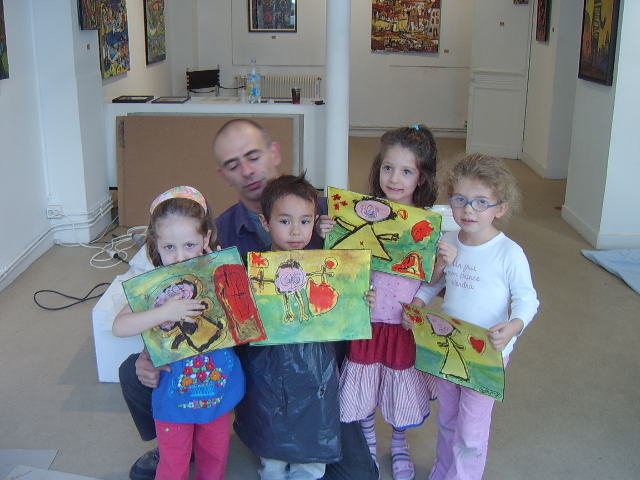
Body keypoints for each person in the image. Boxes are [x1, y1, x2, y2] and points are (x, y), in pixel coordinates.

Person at [120, 118, 378, 480]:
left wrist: (362, 292)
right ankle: (179, 438)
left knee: (358, 475)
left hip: (318, 368)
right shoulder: (218, 234)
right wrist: (150, 355)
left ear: (274, 153)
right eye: (233, 164)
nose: (246, 170)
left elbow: (376, 255)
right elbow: (178, 290)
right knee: (133, 370)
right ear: (223, 174)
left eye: (253, 156)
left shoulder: (323, 211)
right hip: (250, 357)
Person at [318, 125, 442, 480]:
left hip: (403, 323)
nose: (395, 178)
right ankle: (369, 442)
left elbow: (433, 280)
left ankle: (400, 443)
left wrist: (421, 298)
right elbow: (341, 263)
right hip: (367, 320)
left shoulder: (426, 225)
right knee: (365, 384)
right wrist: (329, 232)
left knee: (400, 386)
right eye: (388, 167)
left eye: (406, 171)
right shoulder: (361, 211)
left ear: (421, 177)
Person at [233, 173, 373, 480]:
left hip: (315, 371)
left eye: (305, 221)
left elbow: (342, 306)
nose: (296, 231)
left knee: (312, 452)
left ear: (315, 222)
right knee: (271, 452)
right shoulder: (252, 269)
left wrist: (360, 298)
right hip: (268, 371)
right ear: (265, 222)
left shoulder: (325, 266)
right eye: (285, 221)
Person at [408, 153, 539, 480]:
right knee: (448, 420)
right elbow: (433, 284)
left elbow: (527, 299)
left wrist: (514, 326)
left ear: (500, 208)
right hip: (448, 347)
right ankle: (442, 471)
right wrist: (418, 304)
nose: (468, 210)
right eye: (460, 199)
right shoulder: (448, 242)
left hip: (487, 355)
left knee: (471, 432)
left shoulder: (509, 253)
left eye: (481, 202)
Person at [113, 186, 245, 480]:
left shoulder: (219, 272)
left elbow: (247, 317)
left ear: (206, 239)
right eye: (169, 247)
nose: (179, 256)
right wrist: (163, 313)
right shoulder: (152, 285)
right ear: (156, 245)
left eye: (189, 244)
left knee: (214, 457)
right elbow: (119, 326)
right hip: (173, 396)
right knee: (173, 462)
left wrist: (226, 274)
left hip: (217, 388)